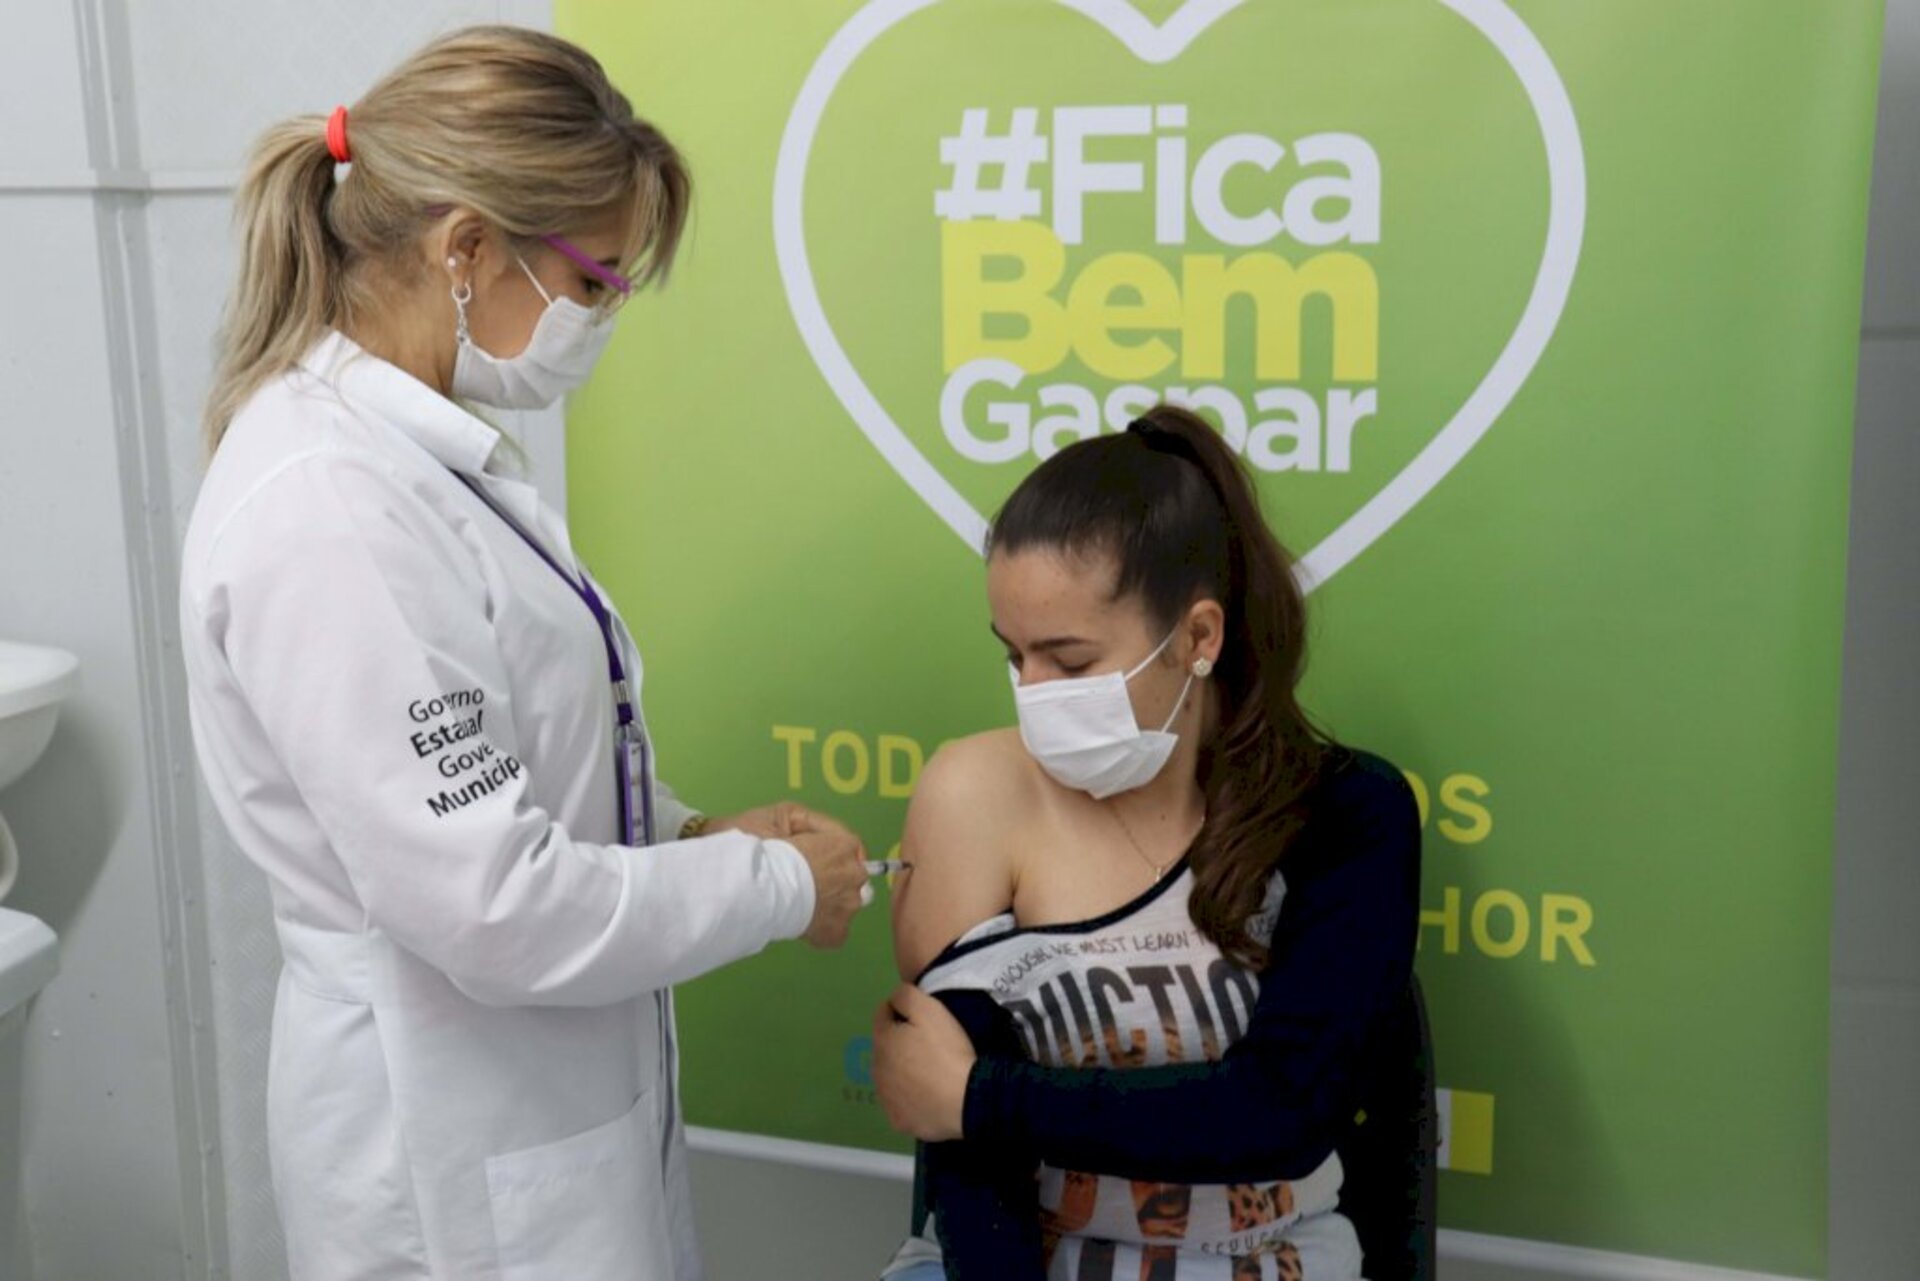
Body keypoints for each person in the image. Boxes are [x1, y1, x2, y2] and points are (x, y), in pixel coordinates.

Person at [178, 27, 871, 1281]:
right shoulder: (331, 508)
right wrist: (774, 889)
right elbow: (492, 907)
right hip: (445, 1143)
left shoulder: (413, 461)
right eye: (595, 282)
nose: (602, 319)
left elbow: (510, 763)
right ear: (465, 248)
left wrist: (683, 835)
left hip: (534, 1110)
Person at [870, 406, 1423, 1281]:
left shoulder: (1349, 812)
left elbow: (1280, 1109)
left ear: (1198, 636)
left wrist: (983, 1097)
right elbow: (969, 1164)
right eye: (1014, 656)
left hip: (1269, 1259)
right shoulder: (971, 793)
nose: (1034, 691)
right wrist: (969, 1108)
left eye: (1070, 661)